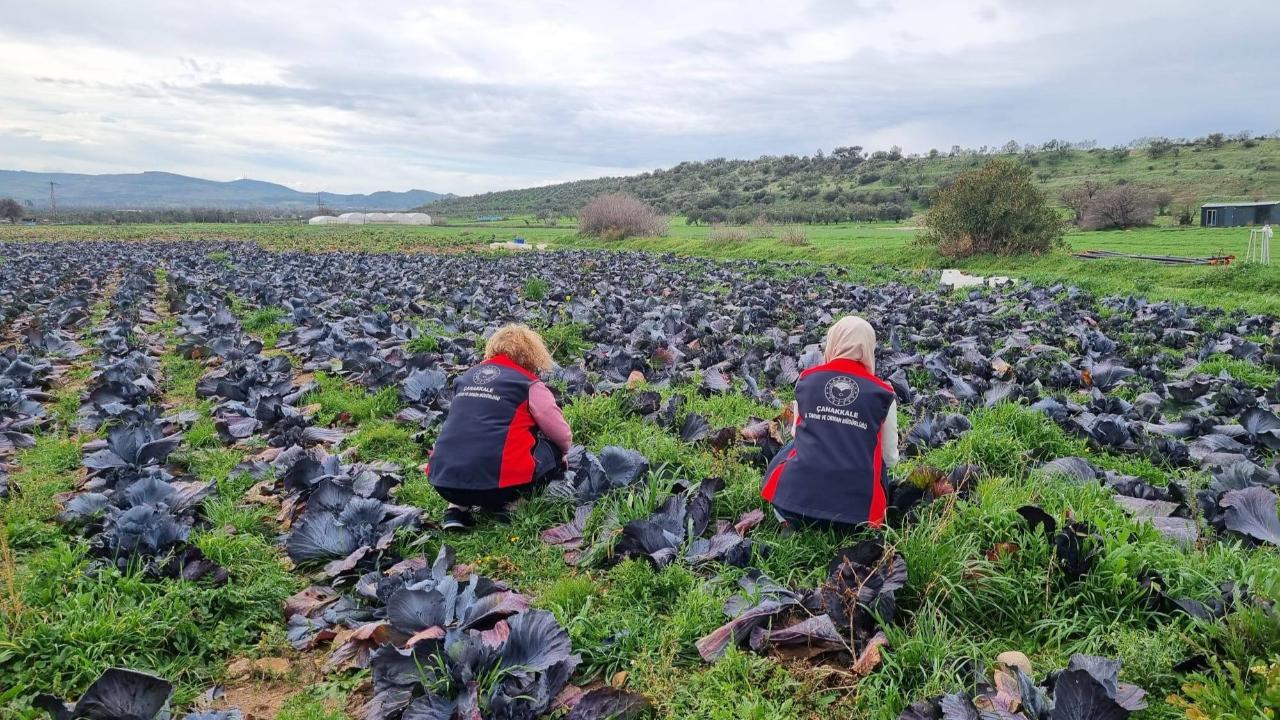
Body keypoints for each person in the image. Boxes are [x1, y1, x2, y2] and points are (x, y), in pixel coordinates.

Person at [426, 323, 572, 531]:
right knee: (553, 449)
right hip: (501, 488)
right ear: (533, 355)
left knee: (468, 440)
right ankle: (513, 507)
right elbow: (559, 432)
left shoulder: (466, 378)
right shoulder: (528, 383)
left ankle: (456, 510)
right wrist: (563, 453)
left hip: (443, 481)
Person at [761, 315, 900, 530]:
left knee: (792, 446)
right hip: (857, 520)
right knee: (877, 460)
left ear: (833, 343)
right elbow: (890, 458)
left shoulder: (807, 379)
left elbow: (798, 434)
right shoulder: (884, 393)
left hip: (793, 507)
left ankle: (786, 519)